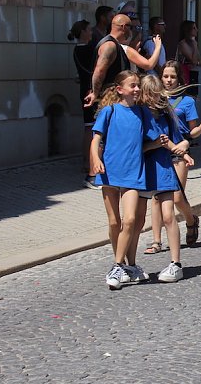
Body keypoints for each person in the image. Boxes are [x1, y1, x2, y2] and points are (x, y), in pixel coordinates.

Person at [90, 70, 155, 290]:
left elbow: (152, 139)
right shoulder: (109, 111)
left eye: (138, 85)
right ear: (120, 90)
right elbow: (95, 139)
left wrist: (175, 145)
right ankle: (126, 265)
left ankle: (119, 265)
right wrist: (96, 159)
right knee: (114, 222)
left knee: (130, 220)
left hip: (133, 173)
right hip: (109, 172)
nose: (137, 89)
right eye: (132, 86)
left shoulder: (143, 113)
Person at [144, 61, 201, 253]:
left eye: (172, 77)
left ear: (179, 78)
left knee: (176, 197)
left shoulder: (187, 101)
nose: (168, 80)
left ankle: (191, 219)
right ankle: (156, 241)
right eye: (165, 76)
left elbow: (191, 132)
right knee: (157, 197)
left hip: (180, 151)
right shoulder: (156, 98)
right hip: (159, 151)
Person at [138, 74, 193, 283]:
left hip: (163, 168)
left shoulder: (166, 115)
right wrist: (154, 145)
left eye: (156, 94)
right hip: (143, 170)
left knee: (169, 215)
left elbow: (178, 141)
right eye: (149, 95)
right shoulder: (139, 115)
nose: (154, 99)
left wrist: (184, 148)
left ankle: (175, 263)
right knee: (136, 220)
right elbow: (136, 147)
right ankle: (129, 263)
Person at [83, 15, 163, 108]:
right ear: (124, 27)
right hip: (110, 99)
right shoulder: (110, 45)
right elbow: (99, 71)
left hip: (112, 98)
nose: (131, 31)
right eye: (131, 27)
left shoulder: (114, 44)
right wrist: (95, 93)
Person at [69, 20, 97, 188]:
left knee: (89, 127)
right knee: (90, 127)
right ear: (83, 32)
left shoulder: (78, 49)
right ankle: (87, 162)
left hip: (84, 89)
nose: (91, 33)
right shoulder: (86, 49)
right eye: (89, 30)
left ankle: (86, 160)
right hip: (89, 91)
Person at [176, 20, 201, 89]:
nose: (197, 30)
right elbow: (193, 60)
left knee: (194, 94)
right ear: (187, 29)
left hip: (194, 71)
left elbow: (200, 61)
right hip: (185, 73)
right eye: (194, 28)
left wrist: (197, 62)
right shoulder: (183, 43)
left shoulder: (193, 43)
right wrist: (195, 46)